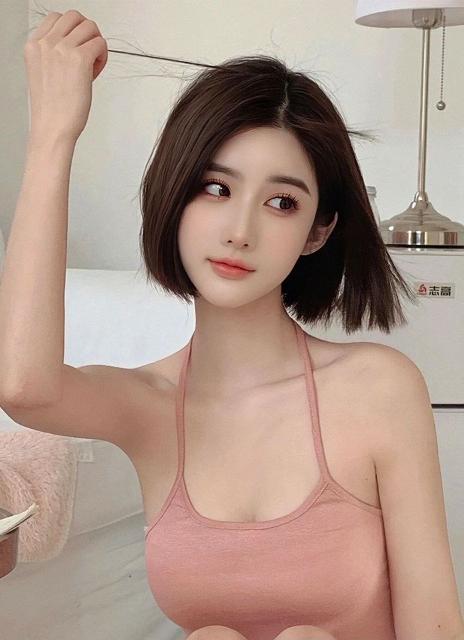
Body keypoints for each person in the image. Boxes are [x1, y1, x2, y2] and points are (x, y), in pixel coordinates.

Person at [0, 8, 418, 640]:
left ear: (318, 231)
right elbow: (25, 388)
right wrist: (53, 133)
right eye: (216, 189)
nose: (239, 230)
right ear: (175, 195)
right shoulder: (149, 407)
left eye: (281, 202)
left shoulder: (378, 388)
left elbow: (435, 622)